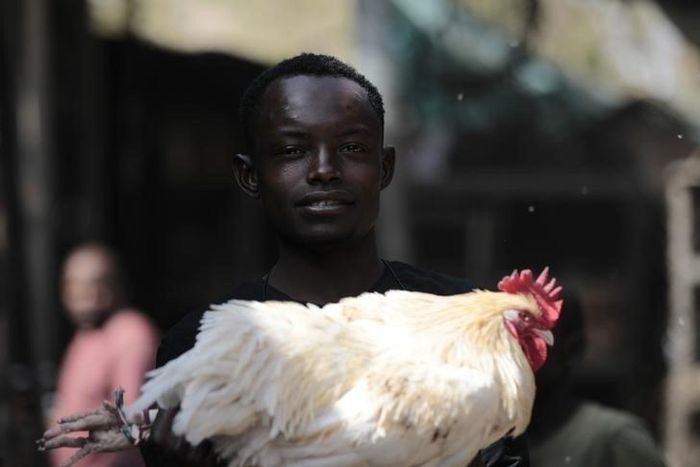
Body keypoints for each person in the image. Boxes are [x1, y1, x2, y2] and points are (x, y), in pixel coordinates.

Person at [41, 54, 528, 467]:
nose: (323, 170)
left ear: (384, 168)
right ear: (250, 176)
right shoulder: (201, 346)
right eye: (293, 150)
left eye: (352, 148)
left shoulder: (458, 320)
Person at [49, 243, 159, 467]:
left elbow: (133, 422)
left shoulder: (131, 333)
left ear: (116, 285)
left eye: (96, 283)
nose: (85, 294)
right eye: (74, 284)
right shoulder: (84, 337)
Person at [527, 292, 667, 467]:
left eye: (532, 339)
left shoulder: (616, 440)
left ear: (572, 348)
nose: (516, 351)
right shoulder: (491, 440)